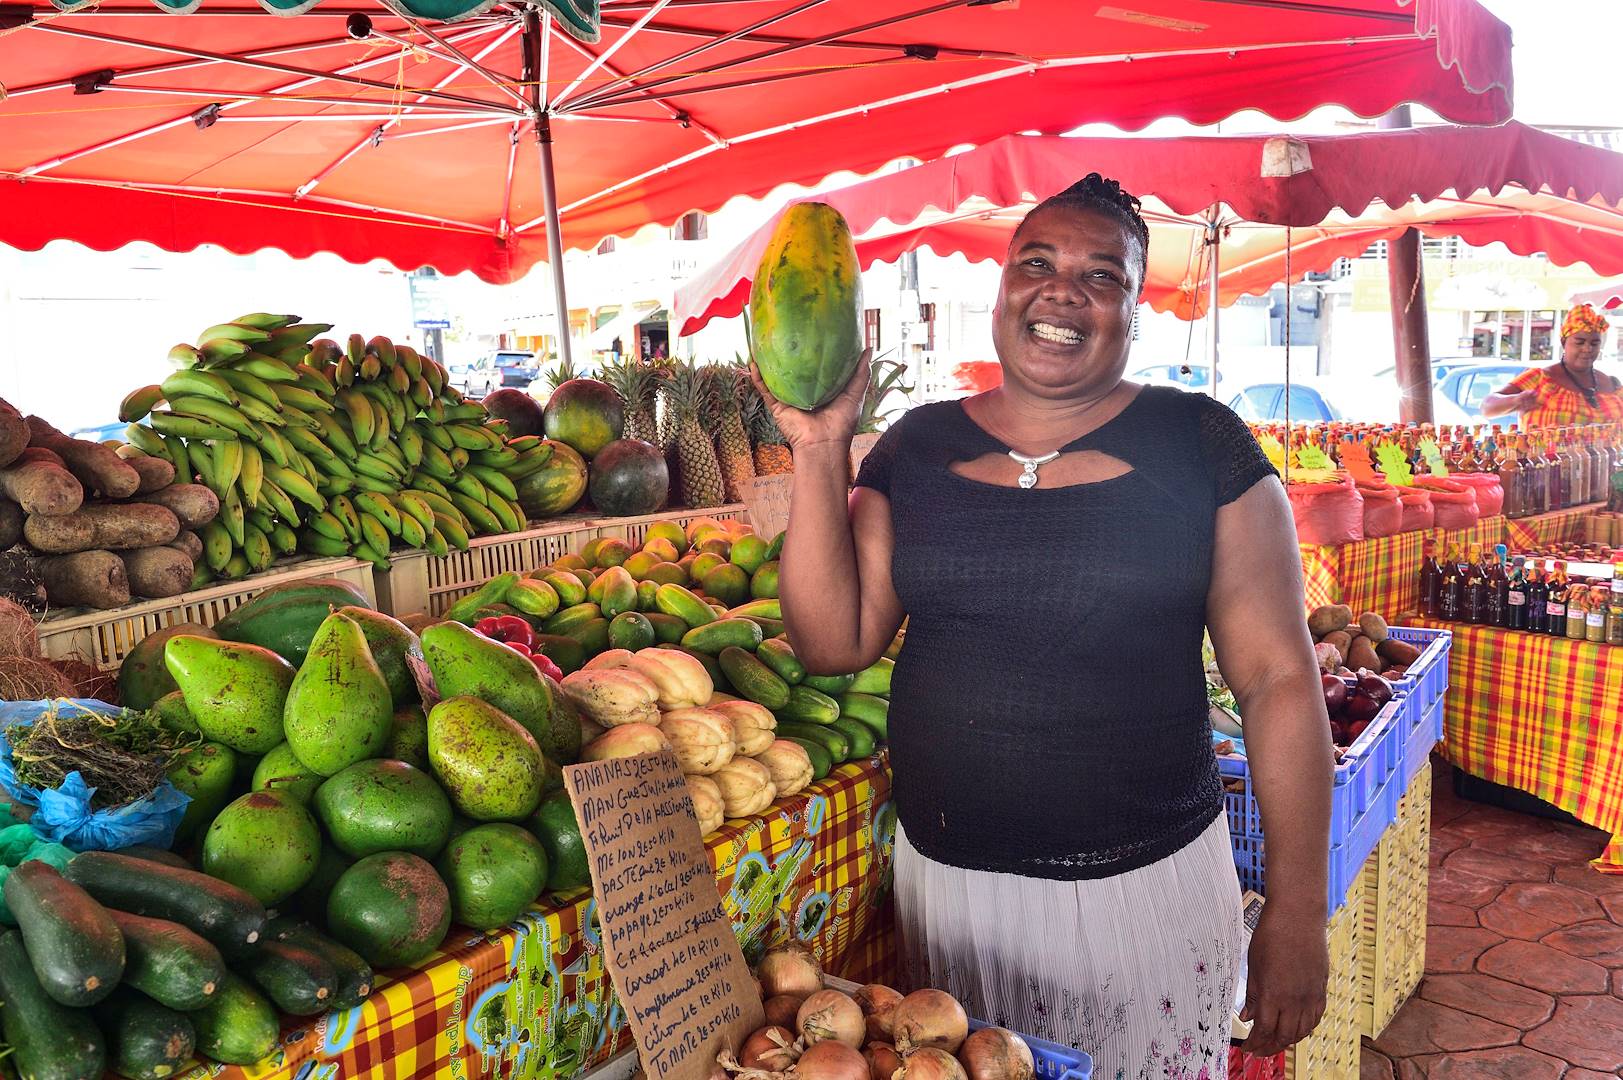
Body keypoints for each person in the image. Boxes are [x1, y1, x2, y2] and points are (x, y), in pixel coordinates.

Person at [755, 174, 1331, 1077]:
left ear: (1134, 311)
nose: (1063, 291)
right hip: (953, 892)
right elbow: (833, 642)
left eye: (1101, 276)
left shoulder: (1199, 443)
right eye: (1036, 264)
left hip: (1144, 887)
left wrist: (1297, 910)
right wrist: (820, 444)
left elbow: (1276, 681)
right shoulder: (917, 446)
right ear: (1001, 290)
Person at [1482, 304, 1623, 425]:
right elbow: (1487, 407)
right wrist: (1516, 400)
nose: (1587, 349)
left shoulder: (1612, 384)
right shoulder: (1540, 378)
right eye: (1579, 342)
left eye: (1594, 343)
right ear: (1563, 342)